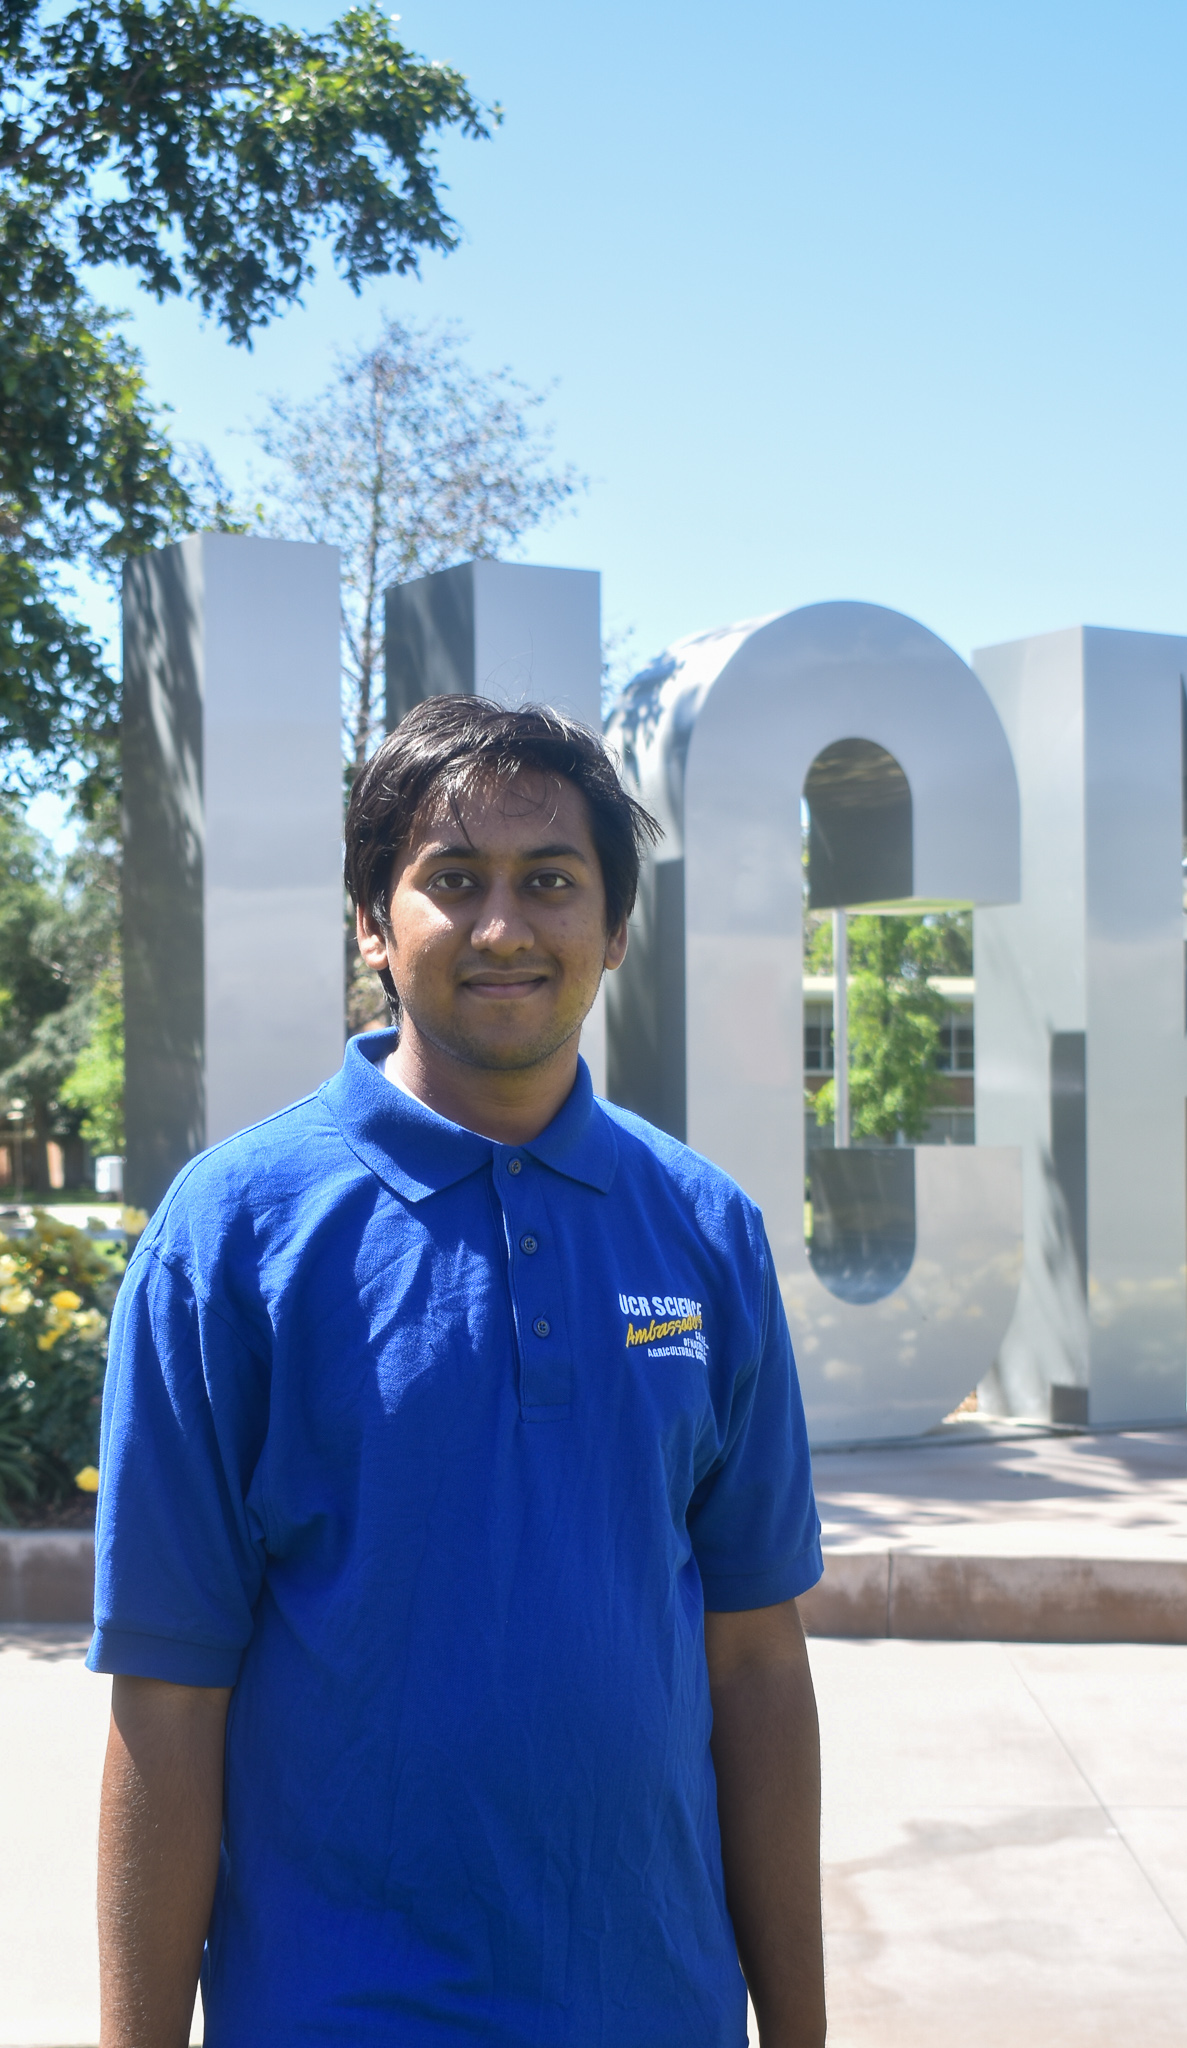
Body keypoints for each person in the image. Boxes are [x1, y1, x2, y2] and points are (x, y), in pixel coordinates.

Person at [90, 696, 826, 2047]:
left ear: (613, 927)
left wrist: (799, 2027)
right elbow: (167, 1697)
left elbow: (758, 1663)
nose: (503, 928)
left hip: (655, 2007)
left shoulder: (707, 1230)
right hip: (335, 2013)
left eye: (550, 880)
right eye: (453, 880)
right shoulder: (232, 1234)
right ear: (374, 923)